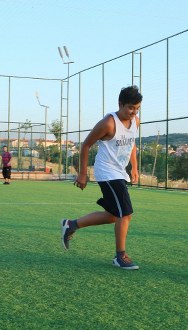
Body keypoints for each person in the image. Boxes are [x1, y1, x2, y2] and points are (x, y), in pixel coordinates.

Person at [61, 85, 142, 270]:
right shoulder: (109, 123)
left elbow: (132, 144)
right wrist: (82, 174)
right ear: (120, 104)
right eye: (130, 107)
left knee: (115, 216)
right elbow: (86, 145)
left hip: (120, 172)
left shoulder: (135, 121)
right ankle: (120, 256)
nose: (133, 112)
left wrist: (134, 167)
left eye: (137, 108)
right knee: (126, 213)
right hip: (107, 172)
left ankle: (71, 225)